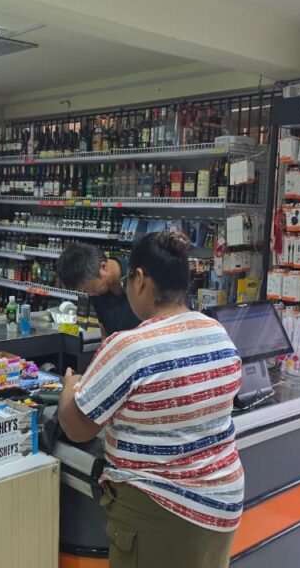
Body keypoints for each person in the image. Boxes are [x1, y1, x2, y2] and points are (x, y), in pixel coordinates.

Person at [57, 231, 244, 568]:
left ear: (140, 279)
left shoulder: (129, 346)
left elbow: (77, 427)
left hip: (158, 510)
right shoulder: (217, 332)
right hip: (222, 507)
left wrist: (69, 388)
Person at [56, 243, 141, 337]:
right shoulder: (97, 291)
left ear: (103, 267)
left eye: (90, 288)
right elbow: (104, 332)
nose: (90, 294)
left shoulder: (140, 278)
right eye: (85, 291)